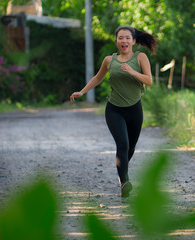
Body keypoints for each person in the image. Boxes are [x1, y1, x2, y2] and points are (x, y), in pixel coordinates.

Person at [70, 26, 156, 197]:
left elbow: (149, 81)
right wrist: (82, 92)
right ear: (116, 41)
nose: (124, 41)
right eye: (120, 38)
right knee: (122, 144)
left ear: (133, 41)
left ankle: (121, 171)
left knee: (130, 148)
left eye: (127, 38)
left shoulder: (140, 57)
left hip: (135, 109)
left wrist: (132, 72)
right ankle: (124, 182)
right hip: (114, 109)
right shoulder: (110, 60)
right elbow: (97, 78)